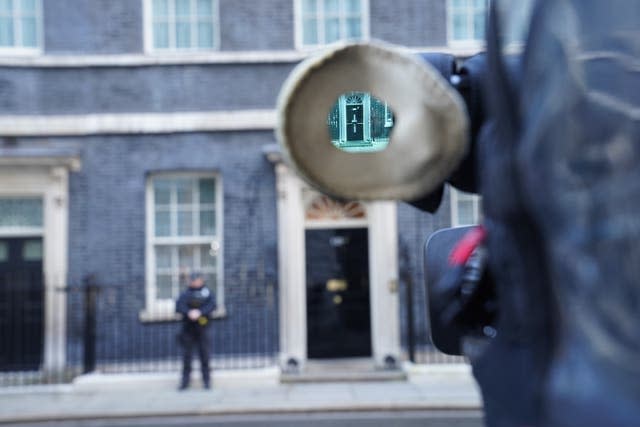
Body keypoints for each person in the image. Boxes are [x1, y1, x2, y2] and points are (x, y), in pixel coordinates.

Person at [175, 272, 216, 390]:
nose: (194, 282)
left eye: (196, 280)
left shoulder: (207, 293)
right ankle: (185, 381)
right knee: (187, 356)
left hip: (203, 328)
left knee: (205, 355)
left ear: (201, 280)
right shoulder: (186, 293)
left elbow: (212, 305)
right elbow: (179, 306)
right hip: (188, 328)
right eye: (192, 280)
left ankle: (207, 381)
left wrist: (200, 312)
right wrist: (189, 312)